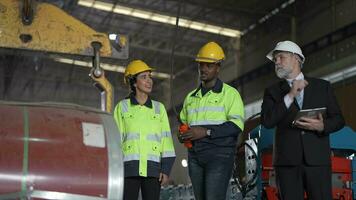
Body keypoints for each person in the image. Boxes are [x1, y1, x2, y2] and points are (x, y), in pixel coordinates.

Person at [261, 40, 345, 200]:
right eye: (275, 60)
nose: (276, 62)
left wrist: (322, 126)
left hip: (317, 161)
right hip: (287, 164)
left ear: (296, 58)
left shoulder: (322, 87)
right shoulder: (272, 92)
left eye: (280, 57)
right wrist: (290, 95)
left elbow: (339, 119)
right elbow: (267, 121)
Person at [179, 41, 245, 200]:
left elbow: (236, 125)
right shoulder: (191, 97)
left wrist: (206, 132)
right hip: (195, 156)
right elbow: (183, 122)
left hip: (219, 155)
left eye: (208, 65)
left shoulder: (230, 94)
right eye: (201, 65)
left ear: (218, 67)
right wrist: (182, 133)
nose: (203, 69)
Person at [114, 60, 176, 200]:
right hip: (128, 169)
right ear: (134, 82)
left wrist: (165, 169)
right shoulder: (122, 107)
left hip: (153, 170)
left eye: (150, 77)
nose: (149, 81)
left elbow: (166, 142)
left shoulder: (159, 109)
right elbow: (116, 141)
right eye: (144, 77)